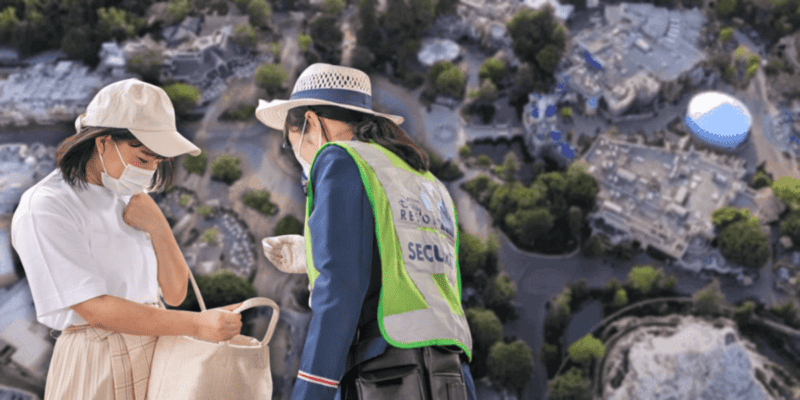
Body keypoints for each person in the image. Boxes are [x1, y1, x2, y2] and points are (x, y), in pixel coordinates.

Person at [10, 79, 243, 400]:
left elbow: (174, 294)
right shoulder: (47, 205)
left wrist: (159, 226)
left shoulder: (127, 195)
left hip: (156, 349)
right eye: (143, 159)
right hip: (96, 359)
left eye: (158, 163)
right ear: (102, 142)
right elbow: (95, 309)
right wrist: (196, 325)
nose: (147, 174)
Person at [256, 63, 477, 400]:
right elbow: (401, 262)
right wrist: (313, 252)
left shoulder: (339, 160)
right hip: (451, 377)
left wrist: (311, 392)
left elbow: (340, 289)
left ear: (311, 122)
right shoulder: (424, 181)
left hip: (388, 377)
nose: (298, 152)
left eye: (291, 140)